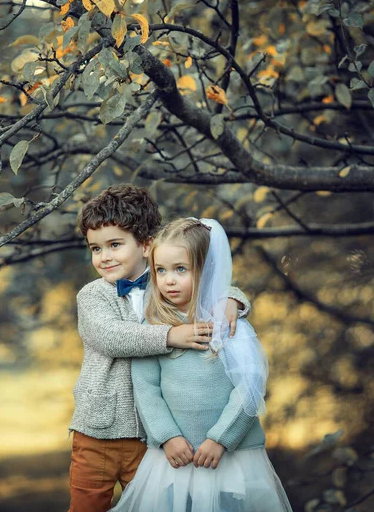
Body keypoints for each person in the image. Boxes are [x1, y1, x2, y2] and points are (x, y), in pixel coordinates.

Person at [69, 186, 252, 512]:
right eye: (95, 249)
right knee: (87, 506)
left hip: (155, 435)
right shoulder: (93, 295)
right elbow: (112, 337)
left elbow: (203, 282)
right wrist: (170, 335)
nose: (104, 257)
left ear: (146, 244)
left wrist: (233, 299)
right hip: (101, 431)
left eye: (114, 245)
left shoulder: (164, 284)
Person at [111, 218, 292, 512]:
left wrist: (220, 439)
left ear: (206, 269)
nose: (168, 280)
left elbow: (249, 386)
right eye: (160, 270)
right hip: (174, 456)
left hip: (232, 456)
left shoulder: (228, 323)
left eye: (180, 269)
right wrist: (167, 437)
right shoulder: (155, 326)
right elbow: (146, 389)